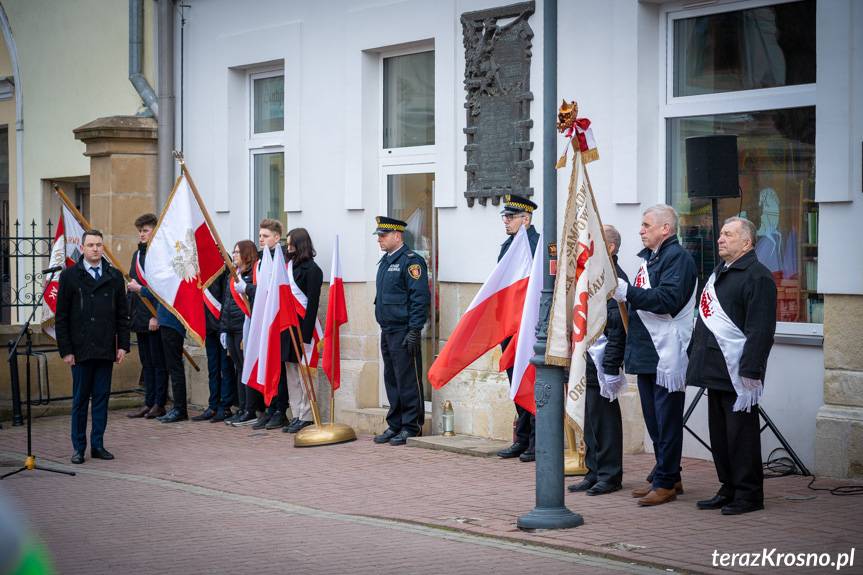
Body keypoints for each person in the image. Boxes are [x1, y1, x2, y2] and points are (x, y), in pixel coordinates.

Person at [687, 217, 776, 515]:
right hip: (714, 368)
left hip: (739, 373)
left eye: (728, 234)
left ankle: (749, 494)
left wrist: (751, 371)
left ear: (747, 242)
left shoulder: (757, 276)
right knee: (721, 437)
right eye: (721, 234)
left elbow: (760, 329)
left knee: (742, 437)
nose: (720, 238)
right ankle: (728, 486)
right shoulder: (720, 272)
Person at [613, 204, 697, 506]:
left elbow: (667, 300)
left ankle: (665, 481)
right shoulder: (651, 258)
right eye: (642, 225)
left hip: (666, 354)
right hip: (648, 352)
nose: (641, 229)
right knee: (654, 419)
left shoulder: (678, 258)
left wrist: (628, 293)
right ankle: (668, 474)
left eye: (647, 225)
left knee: (667, 420)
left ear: (666, 228)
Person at [55, 230, 130, 464]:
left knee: (101, 398)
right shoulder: (69, 276)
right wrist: (66, 350)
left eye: (99, 245)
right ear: (83, 248)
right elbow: (61, 317)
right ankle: (79, 447)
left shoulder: (115, 276)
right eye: (90, 245)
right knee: (80, 400)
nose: (95, 249)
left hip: (105, 347)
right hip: (80, 349)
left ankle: (98, 444)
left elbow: (122, 315)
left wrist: (123, 346)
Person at [569, 224, 627, 495]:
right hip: (587, 360)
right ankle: (593, 470)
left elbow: (616, 325)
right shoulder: (591, 275)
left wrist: (611, 365)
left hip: (603, 361)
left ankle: (610, 474)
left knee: (605, 421)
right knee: (591, 420)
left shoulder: (613, 278)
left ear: (611, 248)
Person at [372, 216, 430, 446]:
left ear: (397, 236)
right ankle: (395, 423)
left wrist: (415, 329)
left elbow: (419, 298)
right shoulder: (385, 261)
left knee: (407, 380)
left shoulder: (411, 261)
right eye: (378, 236)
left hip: (404, 330)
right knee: (392, 379)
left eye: (383, 236)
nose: (380, 240)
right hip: (388, 330)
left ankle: (411, 426)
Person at [494, 194, 540, 463]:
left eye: (510, 217)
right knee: (515, 382)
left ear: (526, 218)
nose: (506, 221)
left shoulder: (536, 244)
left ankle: (536, 441)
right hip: (509, 326)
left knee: (530, 382)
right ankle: (521, 439)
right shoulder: (507, 246)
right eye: (505, 217)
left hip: (527, 326)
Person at [232, 218, 285, 428]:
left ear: (277, 237)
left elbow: (272, 293)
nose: (261, 239)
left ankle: (280, 409)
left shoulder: (282, 259)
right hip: (261, 320)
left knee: (276, 366)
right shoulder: (260, 262)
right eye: (260, 236)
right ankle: (269, 408)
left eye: (265, 236)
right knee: (264, 364)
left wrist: (248, 290)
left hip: (276, 321)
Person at [125, 213, 168, 420]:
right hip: (139, 316)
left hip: (154, 316)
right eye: (140, 231)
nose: (141, 234)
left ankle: (160, 403)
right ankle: (148, 401)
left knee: (158, 362)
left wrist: (157, 316)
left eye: (145, 230)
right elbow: (132, 283)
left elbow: (163, 289)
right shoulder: (137, 255)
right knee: (146, 362)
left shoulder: (160, 255)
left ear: (155, 231)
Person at [282, 228, 323, 434]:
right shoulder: (287, 267)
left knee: (305, 373)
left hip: (303, 328)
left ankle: (307, 415)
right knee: (292, 374)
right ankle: (296, 412)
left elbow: (312, 305)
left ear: (300, 245)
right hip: (288, 327)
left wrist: (306, 336)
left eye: (291, 244)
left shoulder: (313, 270)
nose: (288, 248)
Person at [192, 269, 236, 422]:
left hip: (222, 325)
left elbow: (226, 298)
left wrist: (223, 325)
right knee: (213, 368)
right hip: (208, 325)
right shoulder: (200, 266)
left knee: (225, 368)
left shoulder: (222, 265)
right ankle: (213, 405)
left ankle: (225, 406)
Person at [221, 240, 257, 425]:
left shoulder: (251, 276)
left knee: (246, 367)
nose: (234, 255)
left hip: (244, 326)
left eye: (237, 252)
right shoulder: (233, 276)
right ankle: (242, 407)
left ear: (246, 254)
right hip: (231, 327)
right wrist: (223, 329)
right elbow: (226, 302)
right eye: (233, 252)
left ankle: (250, 409)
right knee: (238, 368)